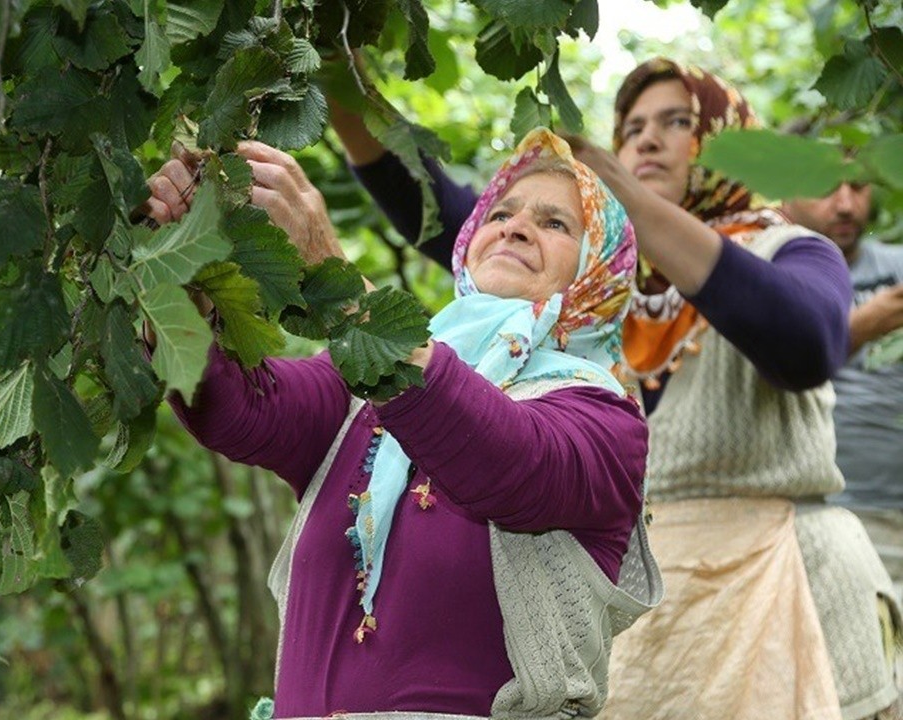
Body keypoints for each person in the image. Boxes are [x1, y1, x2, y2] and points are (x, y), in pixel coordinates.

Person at [334, 58, 899, 719]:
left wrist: (626, 194)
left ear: (726, 141)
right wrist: (342, 80)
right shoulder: (590, 288)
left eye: (677, 122)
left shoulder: (791, 250)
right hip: (648, 610)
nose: (649, 139)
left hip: (786, 579)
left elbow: (805, 345)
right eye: (632, 128)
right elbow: (434, 206)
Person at [145, 129, 661, 718]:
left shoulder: (606, 421)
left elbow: (503, 460)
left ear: (602, 270)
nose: (515, 227)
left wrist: (333, 277)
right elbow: (237, 409)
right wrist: (180, 271)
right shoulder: (359, 387)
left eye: (556, 224)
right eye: (501, 211)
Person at [784, 181, 903, 597]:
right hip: (818, 516)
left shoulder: (898, 267)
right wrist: (859, 328)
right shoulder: (770, 276)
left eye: (858, 187)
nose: (846, 205)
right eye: (827, 186)